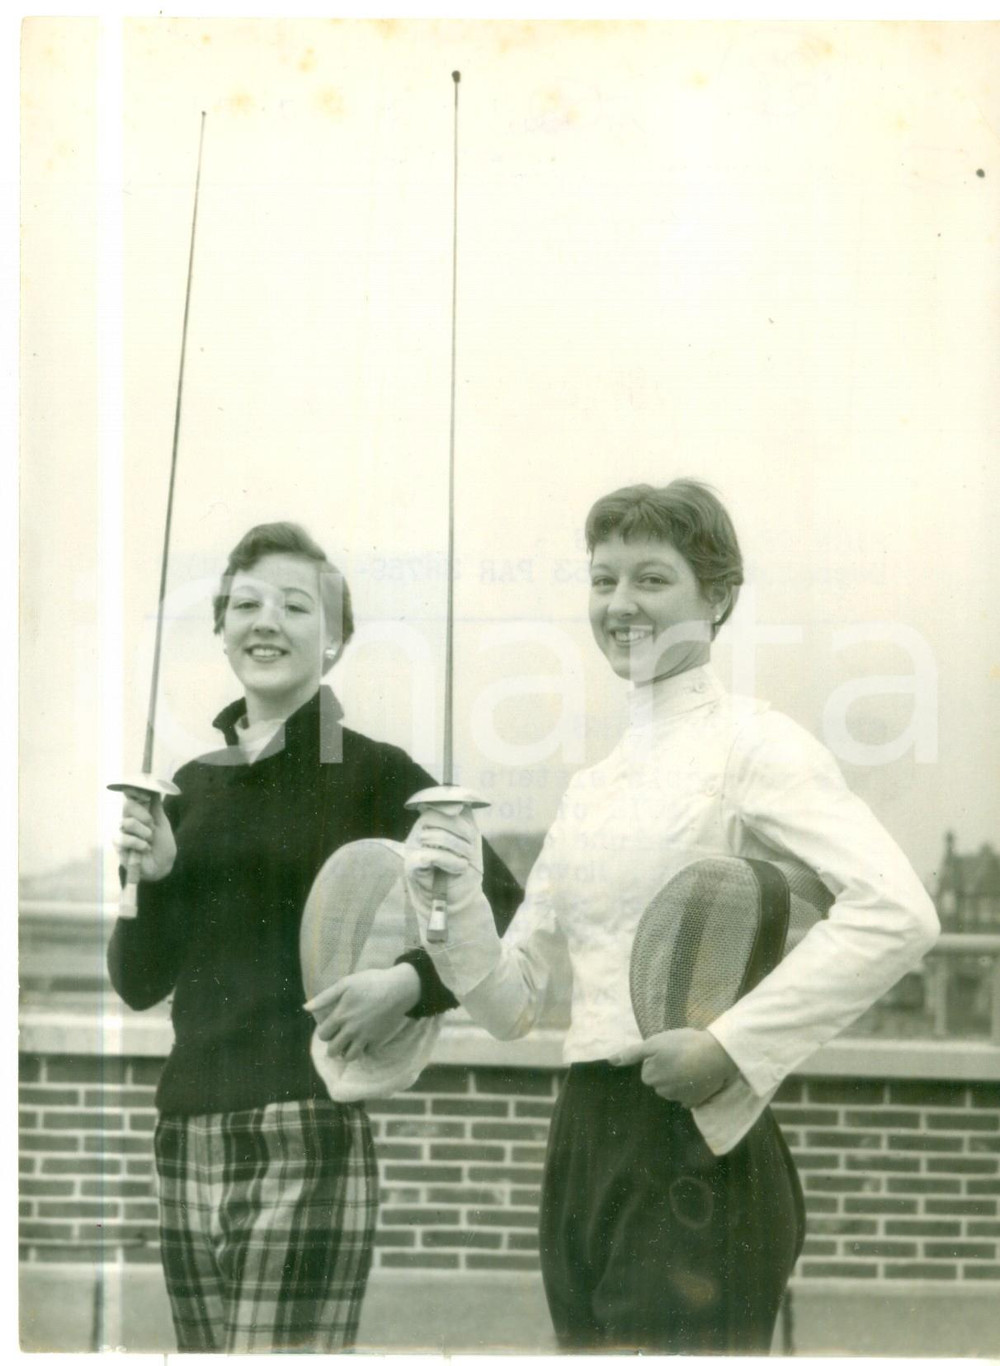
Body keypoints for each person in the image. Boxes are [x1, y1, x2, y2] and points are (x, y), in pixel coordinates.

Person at [404, 480, 940, 1354]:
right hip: (582, 1143)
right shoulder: (592, 787)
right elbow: (513, 1005)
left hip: (695, 1147)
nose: (620, 605)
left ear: (717, 596)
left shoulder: (754, 744)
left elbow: (898, 912)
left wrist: (732, 1047)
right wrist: (450, 898)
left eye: (651, 580)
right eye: (603, 580)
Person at [108, 521, 522, 1354]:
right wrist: (150, 884)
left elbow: (502, 902)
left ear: (334, 640)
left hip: (309, 1123)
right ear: (222, 629)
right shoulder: (187, 787)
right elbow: (138, 982)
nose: (268, 621)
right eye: (246, 604)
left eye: (298, 606)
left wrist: (407, 984)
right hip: (186, 1130)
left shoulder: (374, 771)